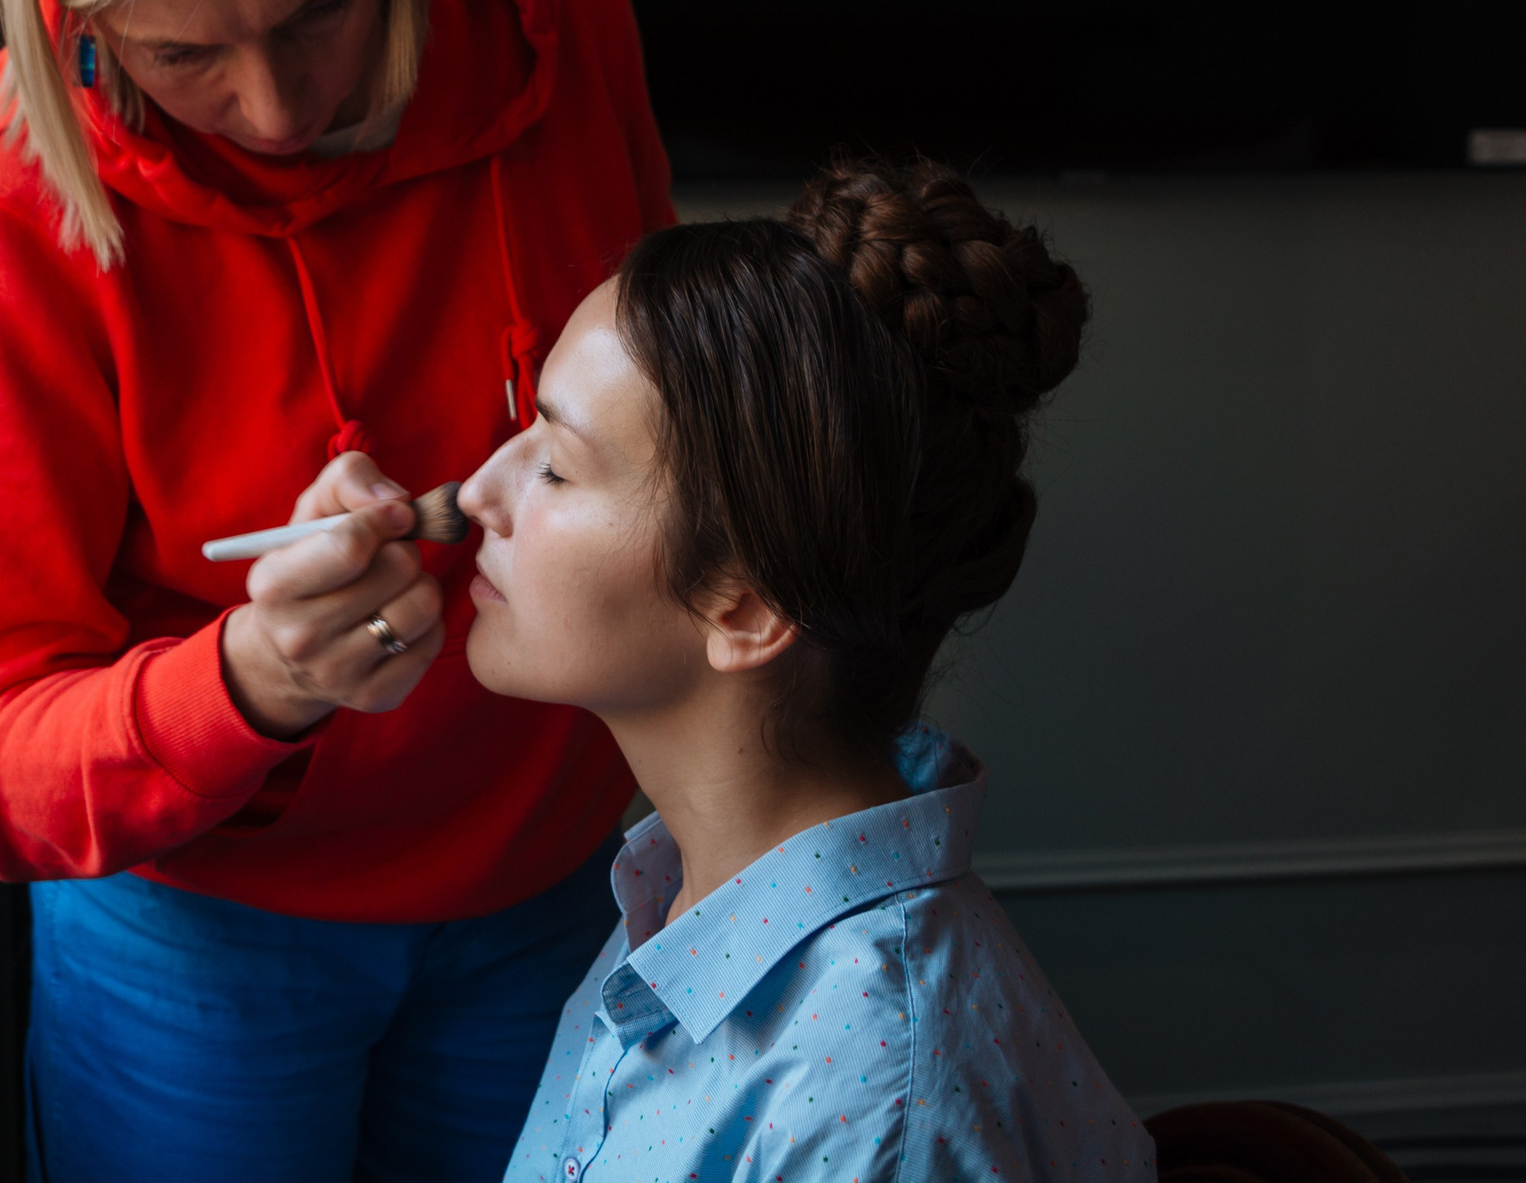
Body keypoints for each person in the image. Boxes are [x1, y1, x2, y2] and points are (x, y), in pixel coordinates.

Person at [0, 0, 673, 1181]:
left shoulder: (565, 9)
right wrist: (245, 680)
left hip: (554, 873)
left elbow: (669, 430)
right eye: (188, 52)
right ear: (80, 14)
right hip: (200, 943)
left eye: (322, 7)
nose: (275, 105)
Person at [459, 156, 1152, 1183]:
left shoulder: (878, 1109)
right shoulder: (677, 909)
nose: (478, 490)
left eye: (556, 464)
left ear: (742, 604)